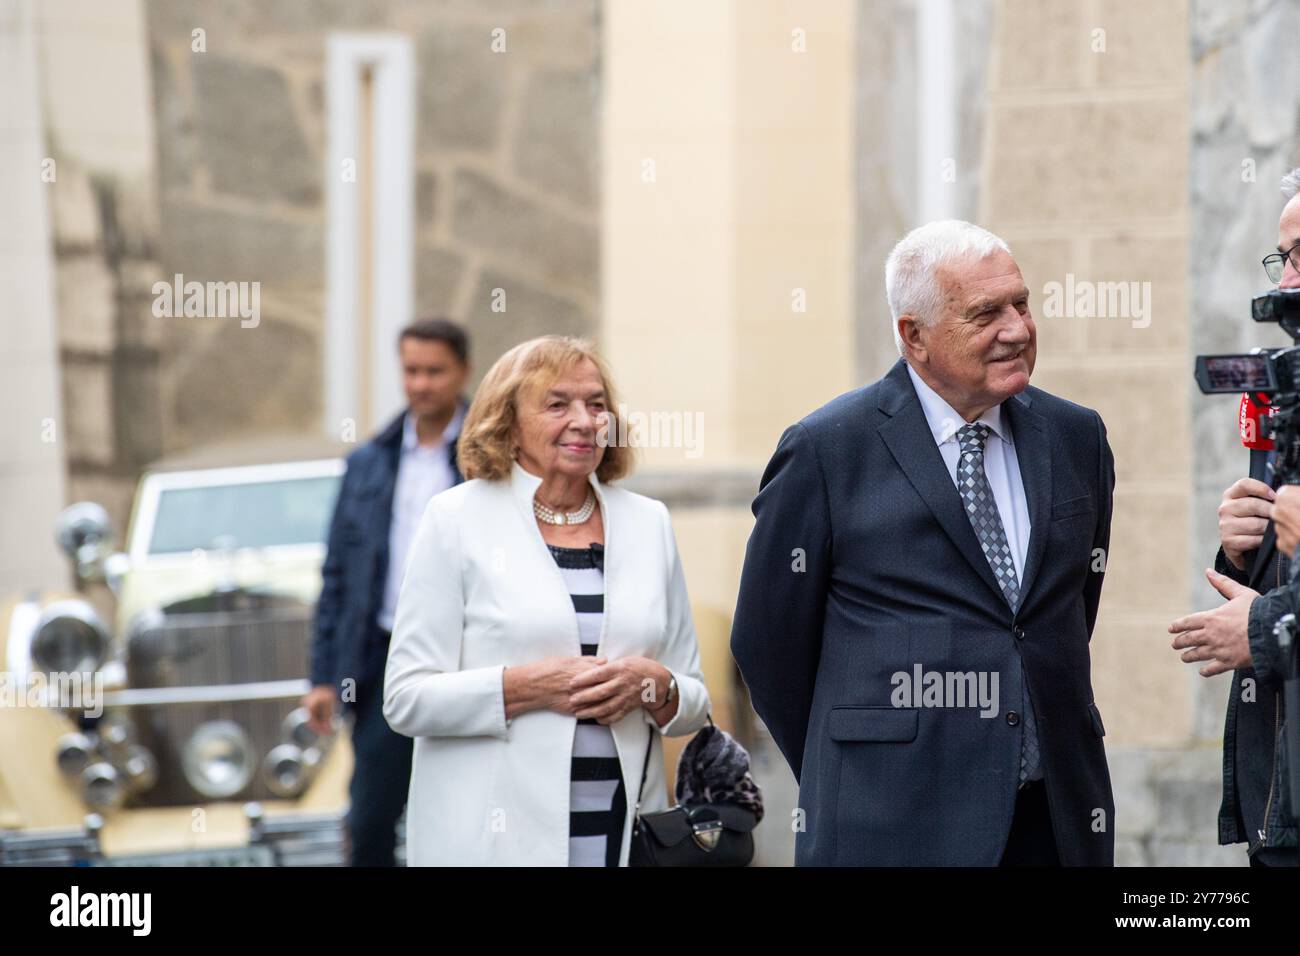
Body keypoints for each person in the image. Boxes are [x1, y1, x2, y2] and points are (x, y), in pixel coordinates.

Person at [730, 220, 1116, 866]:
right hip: (889, 823)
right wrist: (852, 763)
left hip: (1054, 821)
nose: (1018, 329)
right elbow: (768, 643)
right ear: (914, 336)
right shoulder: (828, 449)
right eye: (986, 313)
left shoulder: (1075, 436)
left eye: (1021, 303)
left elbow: (1066, 611)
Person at [382, 335, 710, 866]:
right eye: (558, 404)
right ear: (508, 423)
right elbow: (404, 699)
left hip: (624, 836)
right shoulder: (455, 520)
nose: (584, 420)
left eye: (596, 404)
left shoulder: (648, 522)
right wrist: (522, 688)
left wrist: (648, 684)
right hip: (494, 842)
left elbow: (692, 700)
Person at [1167, 168, 1300, 866]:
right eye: (1283, 260)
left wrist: (1263, 631)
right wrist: (1245, 552)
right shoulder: (1288, 397)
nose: (1284, 284)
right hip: (1275, 805)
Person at [304, 318, 471, 866]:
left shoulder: (489, 456)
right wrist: (325, 676)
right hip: (382, 661)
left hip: (469, 657)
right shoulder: (367, 462)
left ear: (462, 372)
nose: (421, 384)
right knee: (371, 813)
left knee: (467, 807)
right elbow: (336, 576)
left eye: (434, 371)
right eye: (411, 371)